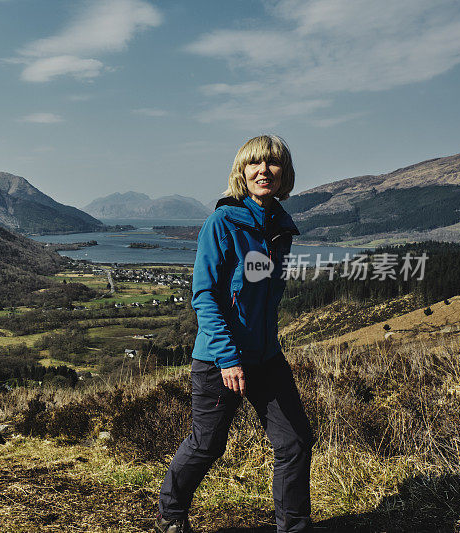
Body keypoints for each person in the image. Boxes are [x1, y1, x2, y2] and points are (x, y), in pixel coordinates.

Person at [155, 135, 314, 533]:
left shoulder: (280, 228)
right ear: (242, 172)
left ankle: (294, 527)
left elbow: (262, 292)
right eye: (255, 164)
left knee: (295, 442)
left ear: (284, 173)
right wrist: (228, 356)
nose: (264, 171)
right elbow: (204, 294)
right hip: (218, 359)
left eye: (273, 164)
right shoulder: (222, 222)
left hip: (266, 356)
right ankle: (170, 514)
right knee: (208, 444)